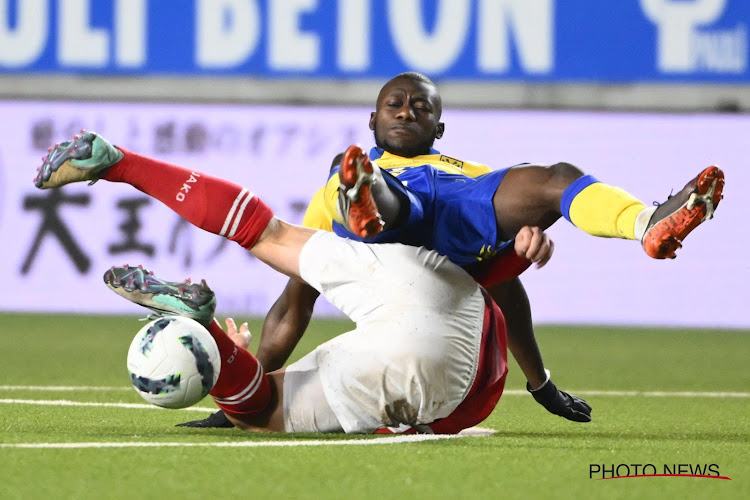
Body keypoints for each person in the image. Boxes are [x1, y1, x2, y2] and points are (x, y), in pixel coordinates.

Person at [212, 72, 726, 429]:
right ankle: (370, 202)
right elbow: (294, 302)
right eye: (395, 104)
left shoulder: (470, 172)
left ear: (440, 127)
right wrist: (247, 391)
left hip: (457, 213)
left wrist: (541, 384)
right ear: (372, 122)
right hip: (389, 224)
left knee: (556, 179)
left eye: (421, 106)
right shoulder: (334, 190)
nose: (407, 111)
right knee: (387, 199)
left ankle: (646, 223)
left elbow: (508, 296)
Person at [33, 132, 560, 433]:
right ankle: (214, 341)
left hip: (419, 341)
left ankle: (120, 162)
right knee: (263, 402)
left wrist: (236, 381)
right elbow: (498, 291)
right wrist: (516, 264)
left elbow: (289, 309)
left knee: (260, 231)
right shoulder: (441, 201)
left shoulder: (333, 222)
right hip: (444, 322)